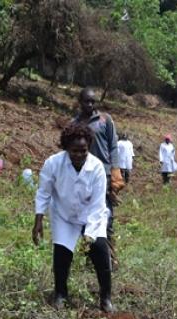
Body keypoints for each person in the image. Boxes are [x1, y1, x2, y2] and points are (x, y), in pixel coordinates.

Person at [33, 122, 114, 313]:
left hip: (90, 214)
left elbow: (97, 204)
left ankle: (106, 297)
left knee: (100, 251)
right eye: (74, 151)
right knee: (62, 253)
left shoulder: (97, 168)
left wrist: (90, 234)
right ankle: (61, 294)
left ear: (89, 148)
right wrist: (38, 220)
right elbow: (44, 192)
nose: (79, 155)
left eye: (83, 151)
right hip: (64, 215)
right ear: (66, 148)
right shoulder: (53, 163)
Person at [72, 87, 124, 264]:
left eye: (93, 101)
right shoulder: (75, 123)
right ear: (80, 102)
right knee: (85, 215)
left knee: (106, 215)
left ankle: (110, 257)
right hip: (84, 176)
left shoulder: (105, 120)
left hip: (105, 175)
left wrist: (115, 169)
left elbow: (113, 146)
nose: (90, 104)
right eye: (86, 101)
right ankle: (89, 255)